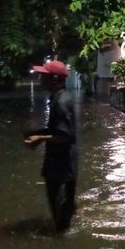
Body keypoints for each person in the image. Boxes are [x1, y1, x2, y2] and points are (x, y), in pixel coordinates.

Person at [24, 60, 78, 232]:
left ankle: (62, 243)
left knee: (60, 214)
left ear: (55, 79)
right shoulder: (62, 97)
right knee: (65, 206)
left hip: (60, 166)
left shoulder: (60, 103)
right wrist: (37, 132)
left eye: (44, 76)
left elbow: (66, 136)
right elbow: (59, 130)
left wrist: (39, 138)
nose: (41, 79)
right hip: (65, 163)